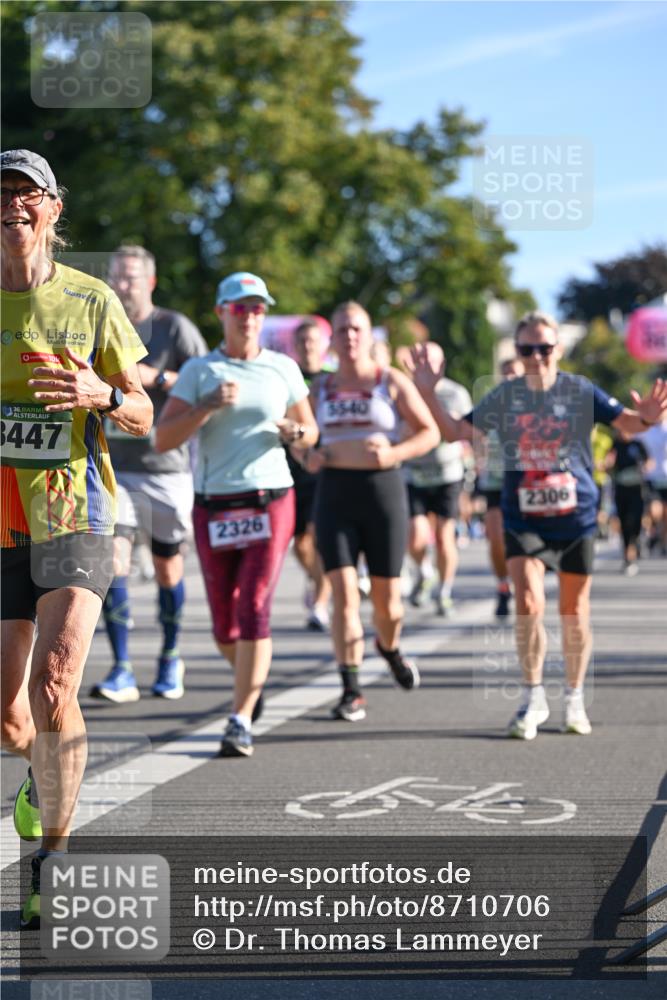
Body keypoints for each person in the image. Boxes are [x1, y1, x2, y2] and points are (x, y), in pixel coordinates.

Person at [0, 149, 152, 928]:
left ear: (55, 210)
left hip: (76, 512)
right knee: (11, 716)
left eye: (29, 195)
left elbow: (143, 412)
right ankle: (41, 780)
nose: (14, 206)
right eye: (2, 194)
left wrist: (102, 394)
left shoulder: (92, 301)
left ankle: (52, 857)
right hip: (1, 520)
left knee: (56, 682)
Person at [411, 310, 667, 740]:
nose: (536, 358)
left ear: (558, 350)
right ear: (518, 352)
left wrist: (647, 418)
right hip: (523, 513)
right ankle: (533, 697)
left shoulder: (580, 390)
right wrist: (427, 393)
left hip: (576, 514)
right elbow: (457, 432)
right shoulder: (504, 396)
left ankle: (574, 696)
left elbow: (626, 423)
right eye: (527, 350)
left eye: (544, 349)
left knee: (573, 611)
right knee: (528, 602)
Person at [155, 272, 318, 757]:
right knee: (224, 626)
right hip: (214, 507)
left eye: (258, 308)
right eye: (240, 308)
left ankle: (240, 717)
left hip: (270, 499)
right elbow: (163, 439)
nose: (250, 317)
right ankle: (252, 679)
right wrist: (205, 405)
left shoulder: (283, 368)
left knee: (254, 607)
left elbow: (311, 432)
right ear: (221, 313)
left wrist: (296, 433)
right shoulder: (199, 371)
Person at [306, 301, 439, 721]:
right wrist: (307, 451)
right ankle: (351, 688)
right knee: (344, 595)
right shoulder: (321, 388)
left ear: (369, 336)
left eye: (357, 329)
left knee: (389, 606)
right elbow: (300, 435)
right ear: (333, 338)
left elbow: (430, 433)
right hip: (334, 494)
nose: (349, 337)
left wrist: (396, 452)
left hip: (383, 495)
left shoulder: (390, 380)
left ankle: (390, 647)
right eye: (342, 329)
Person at [91, 246, 208, 703]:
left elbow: (204, 382)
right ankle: (121, 668)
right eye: (117, 276)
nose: (122, 285)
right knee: (114, 563)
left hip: (166, 469)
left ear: (150, 283)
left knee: (166, 567)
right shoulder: (98, 324)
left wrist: (154, 378)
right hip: (112, 466)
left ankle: (170, 656)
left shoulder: (174, 327)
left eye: (131, 278)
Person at [399, 341, 472, 616]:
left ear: (442, 365)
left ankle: (444, 590)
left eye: (432, 360)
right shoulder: (403, 391)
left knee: (444, 536)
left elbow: (462, 430)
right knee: (416, 537)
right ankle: (425, 570)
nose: (425, 366)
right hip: (413, 471)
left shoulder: (456, 393)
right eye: (421, 359)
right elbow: (396, 428)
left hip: (447, 472)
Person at [285, 319, 332, 631]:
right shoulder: (289, 376)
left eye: (313, 340)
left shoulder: (332, 379)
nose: (307, 346)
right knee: (300, 544)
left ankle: (320, 604)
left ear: (324, 344)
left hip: (326, 469)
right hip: (292, 469)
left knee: (319, 538)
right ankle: (317, 578)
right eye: (302, 341)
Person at [475, 356, 525, 617]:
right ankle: (503, 585)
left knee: (521, 540)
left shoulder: (534, 402)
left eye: (514, 372)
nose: (509, 377)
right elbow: (473, 432)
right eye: (505, 373)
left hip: (526, 480)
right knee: (496, 538)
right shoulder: (491, 404)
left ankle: (525, 585)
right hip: (495, 479)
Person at [640, 412, 667, 555]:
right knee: (654, 510)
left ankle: (663, 543)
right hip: (652, 477)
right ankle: (652, 532)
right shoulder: (647, 430)